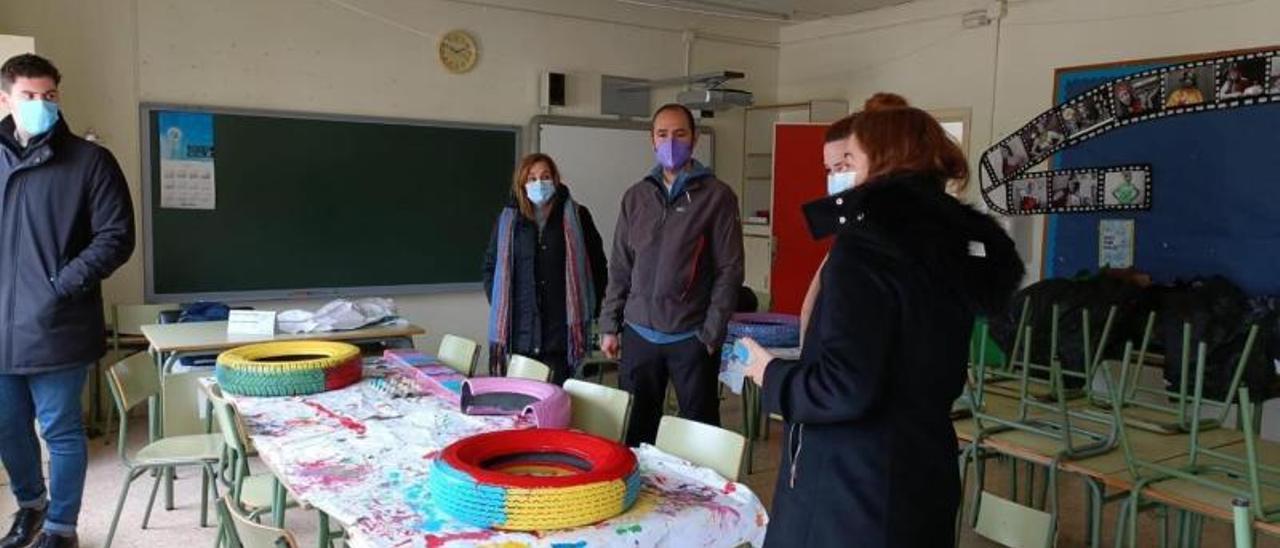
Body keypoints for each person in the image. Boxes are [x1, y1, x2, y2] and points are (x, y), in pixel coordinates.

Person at [739, 95, 1024, 547]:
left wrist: (768, 373)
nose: (839, 173)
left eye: (850, 158)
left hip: (852, 485)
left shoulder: (870, 248)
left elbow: (843, 387)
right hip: (923, 465)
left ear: (886, 160)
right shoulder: (948, 246)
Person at [0, 54, 136, 548]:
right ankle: (30, 508)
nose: (41, 105)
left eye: (50, 96)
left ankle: (62, 527)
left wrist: (60, 285)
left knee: (59, 431)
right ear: (5, 99)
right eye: (30, 96)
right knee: (9, 432)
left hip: (59, 323)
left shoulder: (89, 161)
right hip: (0, 329)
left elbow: (116, 236)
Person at [598, 103, 744, 446]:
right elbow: (620, 265)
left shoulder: (718, 197)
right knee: (636, 432)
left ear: (693, 140)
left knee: (698, 435)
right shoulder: (636, 197)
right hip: (638, 333)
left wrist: (711, 333)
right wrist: (609, 324)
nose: (671, 142)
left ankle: (700, 500)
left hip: (690, 337)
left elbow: (730, 270)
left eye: (680, 134)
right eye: (663, 134)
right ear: (652, 140)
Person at [483, 153, 608, 384]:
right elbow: (491, 267)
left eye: (545, 176)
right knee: (522, 409)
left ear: (555, 179)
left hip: (561, 338)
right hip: (521, 337)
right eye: (531, 178)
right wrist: (506, 308)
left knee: (557, 407)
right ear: (522, 183)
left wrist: (588, 310)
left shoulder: (578, 216)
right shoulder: (508, 220)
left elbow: (598, 268)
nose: (538, 183)